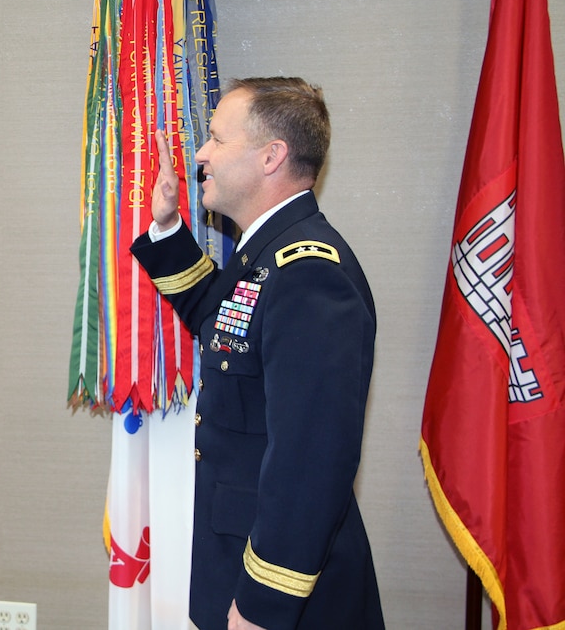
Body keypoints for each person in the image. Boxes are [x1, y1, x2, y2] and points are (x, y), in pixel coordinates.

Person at [130, 77, 384, 630]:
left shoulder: (309, 274)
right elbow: (219, 321)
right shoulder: (268, 259)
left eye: (218, 139)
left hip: (285, 602)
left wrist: (262, 605)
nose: (201, 154)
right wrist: (169, 226)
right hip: (241, 576)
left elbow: (311, 463)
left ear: (271, 156)